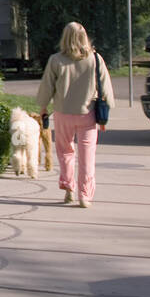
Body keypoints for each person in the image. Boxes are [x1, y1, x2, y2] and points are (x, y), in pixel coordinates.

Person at [36, 22, 115, 207]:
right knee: (87, 155)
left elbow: (47, 86)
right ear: (84, 37)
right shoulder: (95, 59)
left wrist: (43, 107)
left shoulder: (56, 60)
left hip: (63, 113)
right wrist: (105, 113)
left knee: (65, 152)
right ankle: (85, 195)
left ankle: (69, 188)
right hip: (87, 113)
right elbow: (106, 88)